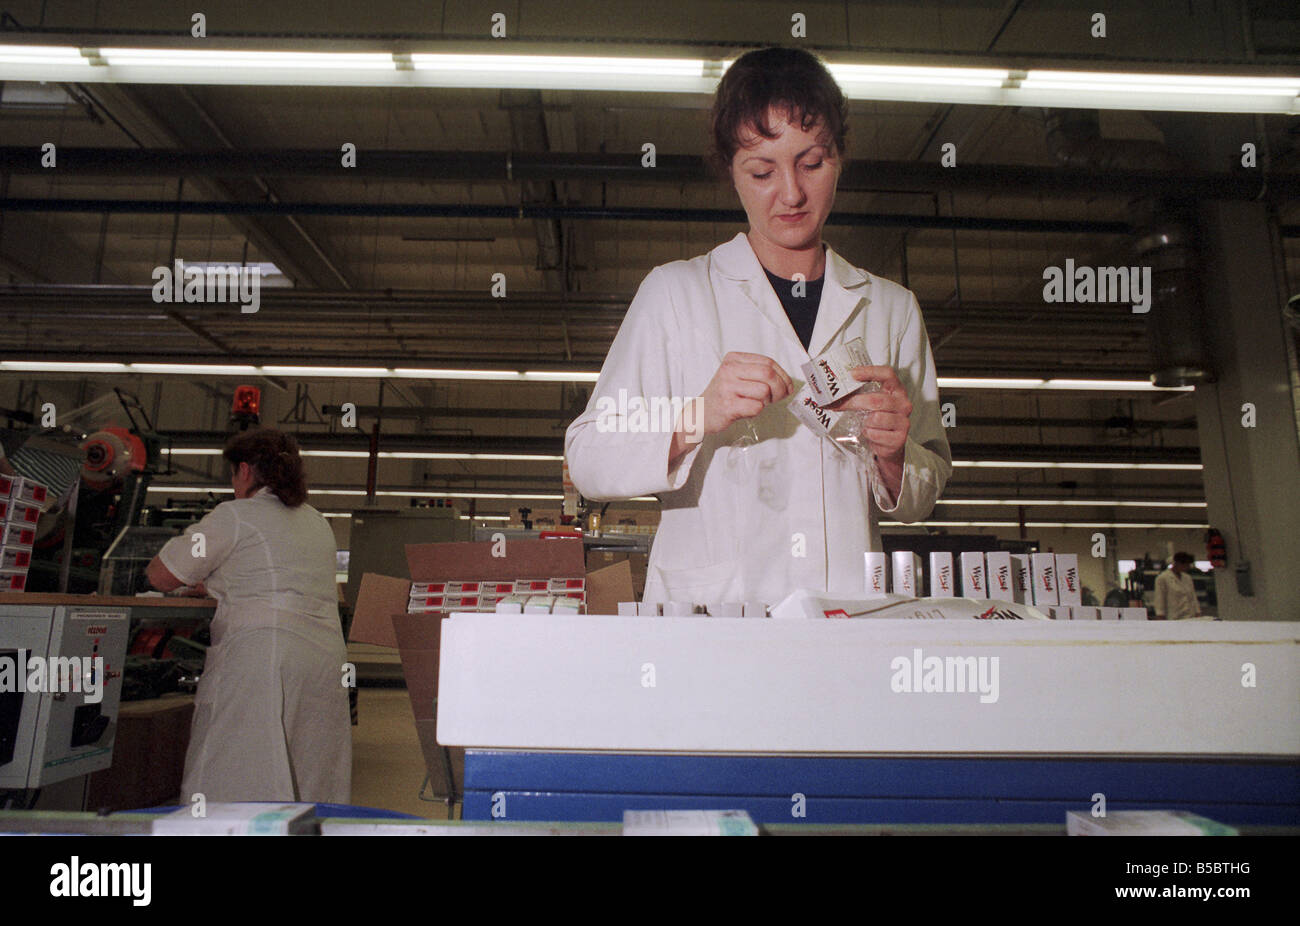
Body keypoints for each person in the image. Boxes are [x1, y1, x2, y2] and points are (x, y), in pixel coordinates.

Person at [565, 47, 950, 606]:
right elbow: (588, 457)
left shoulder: (892, 308)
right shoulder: (676, 294)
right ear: (731, 172)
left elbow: (924, 491)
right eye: (763, 171)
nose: (791, 193)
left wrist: (893, 458)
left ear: (839, 156)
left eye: (812, 163)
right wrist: (696, 415)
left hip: (845, 614)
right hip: (713, 618)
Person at [146, 428, 351, 803]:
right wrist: (217, 584)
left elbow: (161, 575)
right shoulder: (317, 522)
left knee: (235, 765)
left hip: (263, 657)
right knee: (309, 766)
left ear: (243, 471)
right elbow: (277, 577)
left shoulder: (235, 515)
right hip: (323, 662)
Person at [1153, 551, 1201, 620]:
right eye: (1186, 565)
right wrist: (1160, 615)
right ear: (1177, 563)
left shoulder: (1187, 578)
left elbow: (1193, 597)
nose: (1188, 567)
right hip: (1174, 617)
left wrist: (1197, 612)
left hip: (1190, 616)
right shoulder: (1163, 578)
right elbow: (1159, 598)